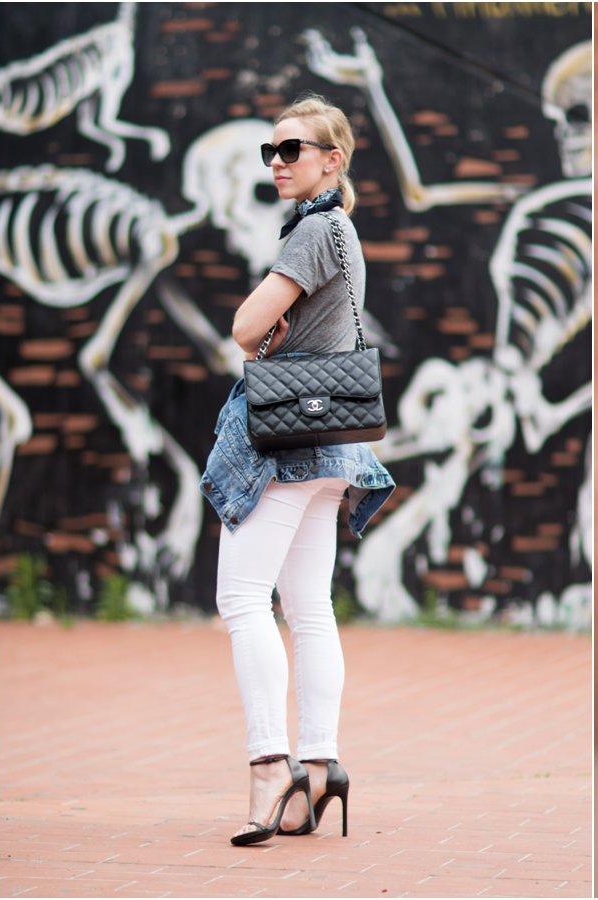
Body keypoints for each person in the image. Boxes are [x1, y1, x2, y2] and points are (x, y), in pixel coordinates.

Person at [199, 93, 395, 846]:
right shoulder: (343, 233)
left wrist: (261, 332)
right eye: (271, 152)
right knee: (309, 609)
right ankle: (321, 764)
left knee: (243, 600)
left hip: (287, 446)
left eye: (292, 150)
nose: (277, 163)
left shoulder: (316, 230)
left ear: (331, 160)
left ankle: (268, 766)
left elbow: (245, 327)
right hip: (334, 448)